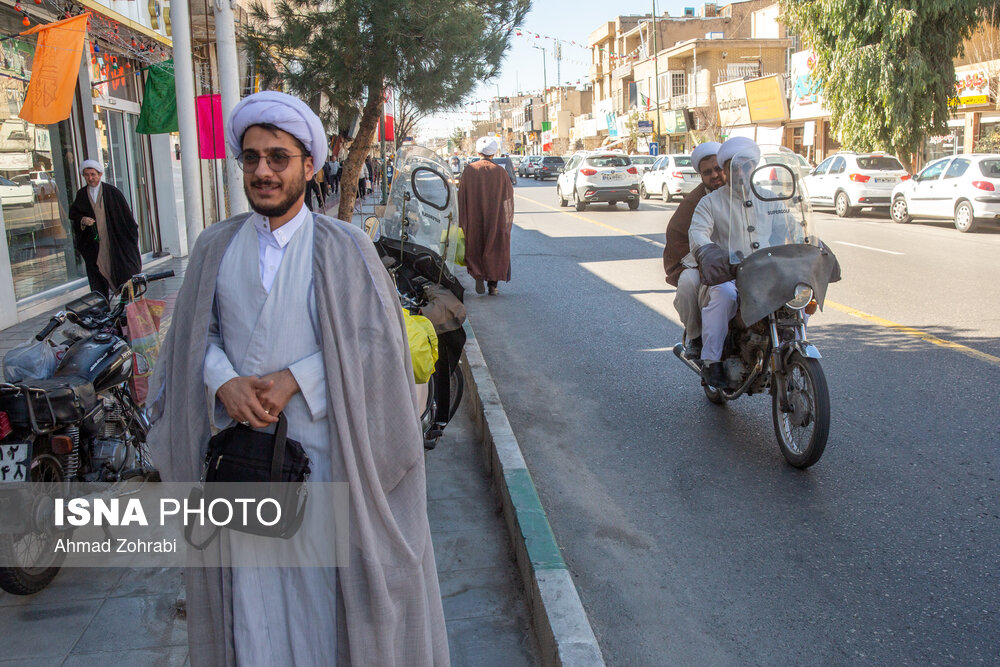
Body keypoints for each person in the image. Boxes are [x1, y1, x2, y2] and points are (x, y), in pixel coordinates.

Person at [146, 90, 448, 665]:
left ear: (309, 165)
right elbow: (191, 339)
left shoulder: (344, 247)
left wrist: (295, 379)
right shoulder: (214, 246)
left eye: (278, 157)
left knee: (317, 607)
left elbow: (374, 347)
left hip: (321, 459)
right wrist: (223, 381)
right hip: (238, 459)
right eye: (252, 158)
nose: (263, 171)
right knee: (250, 606)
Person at [689, 136, 765, 388]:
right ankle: (710, 361)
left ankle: (793, 346)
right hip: (728, 275)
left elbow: (794, 227)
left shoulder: (773, 198)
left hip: (768, 275)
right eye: (735, 167)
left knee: (798, 295)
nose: (741, 172)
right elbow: (698, 233)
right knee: (723, 294)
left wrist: (812, 243)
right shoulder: (710, 203)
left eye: (746, 166)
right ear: (726, 170)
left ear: (754, 166)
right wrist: (708, 250)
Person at [662, 141, 723, 359]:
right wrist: (702, 261)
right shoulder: (695, 201)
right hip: (700, 260)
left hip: (738, 258)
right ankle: (695, 337)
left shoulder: (740, 191)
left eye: (718, 169)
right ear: (701, 176)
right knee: (689, 285)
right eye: (708, 172)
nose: (715, 175)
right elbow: (677, 237)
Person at [67, 160, 141, 297]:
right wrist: (83, 220)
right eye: (87, 175)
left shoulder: (112, 193)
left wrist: (128, 241)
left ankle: (125, 307)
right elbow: (74, 214)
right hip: (94, 247)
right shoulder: (82, 195)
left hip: (114, 244)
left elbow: (126, 220)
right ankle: (102, 308)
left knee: (124, 274)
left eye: (93, 174)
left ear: (100, 174)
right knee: (97, 277)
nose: (90, 178)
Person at [458, 136, 514, 296]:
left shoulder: (469, 170)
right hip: (495, 219)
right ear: (494, 154)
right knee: (495, 248)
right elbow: (508, 200)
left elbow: (461, 196)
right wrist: (506, 222)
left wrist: (463, 219)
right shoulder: (501, 173)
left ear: (477, 152)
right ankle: (492, 286)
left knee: (476, 245)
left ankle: (478, 275)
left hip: (474, 218)